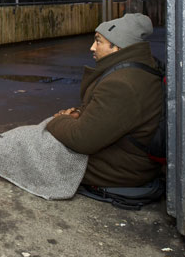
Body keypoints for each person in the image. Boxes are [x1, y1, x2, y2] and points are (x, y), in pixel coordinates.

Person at [46, 13, 163, 187]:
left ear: (117, 47)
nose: (92, 47)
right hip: (130, 160)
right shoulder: (137, 69)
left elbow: (82, 140)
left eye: (98, 41)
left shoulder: (121, 84)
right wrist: (79, 113)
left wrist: (56, 120)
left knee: (30, 146)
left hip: (118, 170)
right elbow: (109, 117)